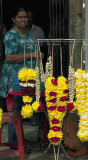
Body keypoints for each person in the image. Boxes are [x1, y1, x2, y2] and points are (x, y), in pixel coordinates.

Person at [0, 7, 43, 145]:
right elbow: (10, 57)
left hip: (25, 78)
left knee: (21, 110)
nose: (24, 20)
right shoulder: (11, 35)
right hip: (14, 78)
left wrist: (38, 55)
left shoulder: (24, 34)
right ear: (13, 19)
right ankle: (13, 143)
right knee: (14, 111)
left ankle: (18, 140)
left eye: (25, 17)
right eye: (20, 17)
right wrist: (32, 55)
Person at [26, 9, 45, 126]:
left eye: (29, 17)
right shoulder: (15, 31)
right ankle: (23, 115)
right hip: (19, 66)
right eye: (24, 17)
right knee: (21, 91)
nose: (27, 20)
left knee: (35, 92)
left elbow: (43, 46)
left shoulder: (38, 30)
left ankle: (34, 117)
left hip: (35, 66)